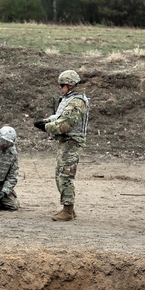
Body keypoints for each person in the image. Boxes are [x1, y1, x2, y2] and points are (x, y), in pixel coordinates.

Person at [34, 69, 89, 221]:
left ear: (71, 85)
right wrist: (47, 121)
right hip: (66, 141)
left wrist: (46, 127)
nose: (60, 88)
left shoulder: (77, 102)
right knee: (60, 174)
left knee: (65, 176)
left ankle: (68, 210)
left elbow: (65, 125)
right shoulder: (69, 99)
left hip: (72, 141)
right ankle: (69, 209)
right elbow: (59, 117)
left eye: (62, 85)